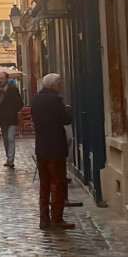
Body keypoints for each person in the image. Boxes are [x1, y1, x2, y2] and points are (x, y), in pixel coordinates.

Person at [31, 72, 74, 229]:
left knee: (45, 184)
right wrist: (68, 110)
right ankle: (57, 218)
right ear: (54, 85)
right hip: (55, 146)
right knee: (58, 182)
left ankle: (44, 219)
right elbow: (65, 119)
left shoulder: (35, 100)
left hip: (41, 146)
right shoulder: (55, 100)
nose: (61, 86)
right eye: (60, 84)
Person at [0, 71, 23, 169]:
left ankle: (11, 160)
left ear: (7, 79)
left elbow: (19, 103)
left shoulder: (13, 89)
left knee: (11, 138)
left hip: (12, 118)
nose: (0, 80)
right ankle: (8, 157)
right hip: (2, 119)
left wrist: (14, 110)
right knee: (5, 139)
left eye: (2, 78)